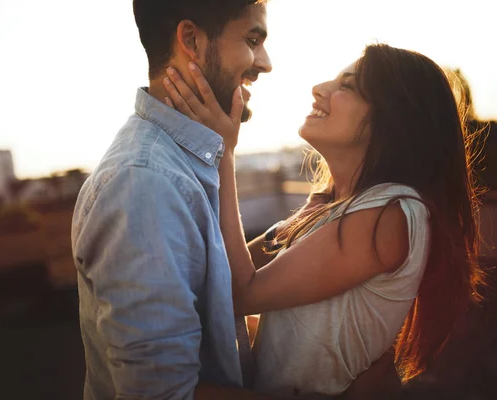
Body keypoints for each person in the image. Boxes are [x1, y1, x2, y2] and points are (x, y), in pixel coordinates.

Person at [73, 0, 399, 398]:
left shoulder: (182, 164)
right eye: (252, 39)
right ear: (191, 39)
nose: (264, 63)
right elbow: (162, 393)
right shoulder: (145, 183)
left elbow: (220, 316)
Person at [162, 43, 485, 397]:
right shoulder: (337, 207)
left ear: (392, 119)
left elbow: (239, 291)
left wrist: (221, 149)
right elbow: (223, 270)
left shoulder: (391, 214)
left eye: (347, 86)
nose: (320, 89)